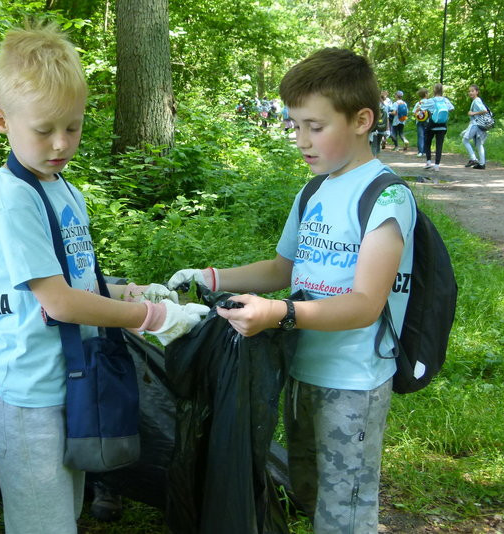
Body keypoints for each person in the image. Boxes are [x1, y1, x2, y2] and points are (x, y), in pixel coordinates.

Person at [168, 48, 416, 533]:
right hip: (299, 368)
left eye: (314, 126)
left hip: (352, 379)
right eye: (294, 124)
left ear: (362, 120)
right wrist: (209, 277)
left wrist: (279, 315)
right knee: (310, 488)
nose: (300, 139)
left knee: (344, 506)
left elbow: (365, 305)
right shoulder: (314, 191)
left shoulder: (384, 197)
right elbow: (283, 266)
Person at [0, 22, 209, 534]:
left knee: (65, 510)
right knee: (44, 522)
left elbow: (79, 283)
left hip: (72, 383)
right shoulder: (14, 200)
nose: (61, 143)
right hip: (30, 392)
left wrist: (134, 292)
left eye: (73, 127)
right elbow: (58, 303)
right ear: (1, 121)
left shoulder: (62, 188)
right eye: (43, 129)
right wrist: (150, 317)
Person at [422, 83, 455, 171]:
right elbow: (452, 108)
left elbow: (422, 108)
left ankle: (428, 161)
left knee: (427, 142)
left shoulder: (431, 100)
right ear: (442, 91)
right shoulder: (445, 100)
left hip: (432, 125)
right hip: (443, 126)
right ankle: (437, 165)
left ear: (434, 90)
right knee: (439, 145)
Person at [462, 84, 489, 169]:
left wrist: (473, 113)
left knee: (465, 140)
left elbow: (484, 110)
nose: (470, 93)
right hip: (480, 125)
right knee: (479, 144)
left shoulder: (477, 100)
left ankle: (473, 159)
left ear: (477, 92)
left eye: (472, 91)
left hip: (476, 124)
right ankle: (482, 164)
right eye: (469, 91)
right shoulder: (477, 100)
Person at [412, 87, 429, 156]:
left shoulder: (418, 103)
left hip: (419, 121)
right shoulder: (429, 102)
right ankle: (425, 151)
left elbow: (414, 112)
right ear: (425, 94)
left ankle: (420, 151)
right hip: (427, 121)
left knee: (420, 136)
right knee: (426, 136)